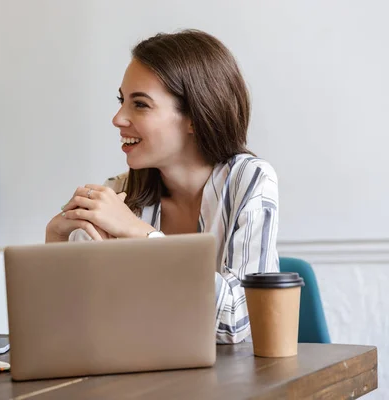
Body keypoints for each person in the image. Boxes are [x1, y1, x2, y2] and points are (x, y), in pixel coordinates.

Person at [46, 30, 279, 344]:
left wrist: (140, 233)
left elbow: (237, 323)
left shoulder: (250, 181)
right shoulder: (118, 193)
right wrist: (56, 241)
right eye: (121, 101)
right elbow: (73, 329)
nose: (117, 118)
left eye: (140, 104)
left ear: (195, 117)